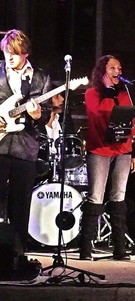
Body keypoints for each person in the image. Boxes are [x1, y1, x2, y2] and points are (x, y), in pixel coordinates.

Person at [79, 55, 135, 260]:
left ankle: (120, 249)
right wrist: (109, 92)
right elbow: (99, 114)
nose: (117, 71)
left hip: (122, 150)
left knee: (119, 197)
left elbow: (131, 123)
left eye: (119, 68)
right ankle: (85, 248)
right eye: (112, 68)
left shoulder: (125, 94)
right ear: (102, 71)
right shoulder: (92, 93)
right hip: (100, 150)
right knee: (96, 196)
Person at [0, 29, 51, 258]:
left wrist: (39, 114)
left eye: (14, 52)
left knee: (21, 203)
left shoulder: (40, 78)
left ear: (25, 52)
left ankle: (17, 253)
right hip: (0, 145)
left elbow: (47, 115)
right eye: (6, 52)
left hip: (26, 146)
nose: (9, 57)